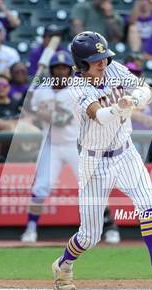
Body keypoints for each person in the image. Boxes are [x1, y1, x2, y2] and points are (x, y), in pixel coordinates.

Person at [51, 31, 152, 290]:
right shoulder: (76, 87)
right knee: (90, 236)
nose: (103, 62)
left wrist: (133, 99)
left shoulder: (114, 69)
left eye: (104, 56)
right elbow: (99, 115)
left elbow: (146, 90)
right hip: (95, 160)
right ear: (82, 63)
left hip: (126, 152)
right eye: (96, 59)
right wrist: (120, 108)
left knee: (148, 204)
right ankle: (63, 265)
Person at [21, 51, 120, 244]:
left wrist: (48, 112)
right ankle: (30, 229)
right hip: (51, 145)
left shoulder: (80, 89)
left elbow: (66, 117)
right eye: (57, 68)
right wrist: (34, 111)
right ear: (51, 70)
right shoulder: (41, 90)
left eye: (63, 68)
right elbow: (31, 110)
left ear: (70, 70)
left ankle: (109, 227)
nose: (60, 72)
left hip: (77, 145)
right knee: (41, 187)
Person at [0, 74, 28, 162]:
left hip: (17, 136)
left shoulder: (18, 103)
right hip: (0, 138)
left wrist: (7, 125)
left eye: (4, 85)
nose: (1, 88)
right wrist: (11, 125)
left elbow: (27, 119)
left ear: (9, 87)